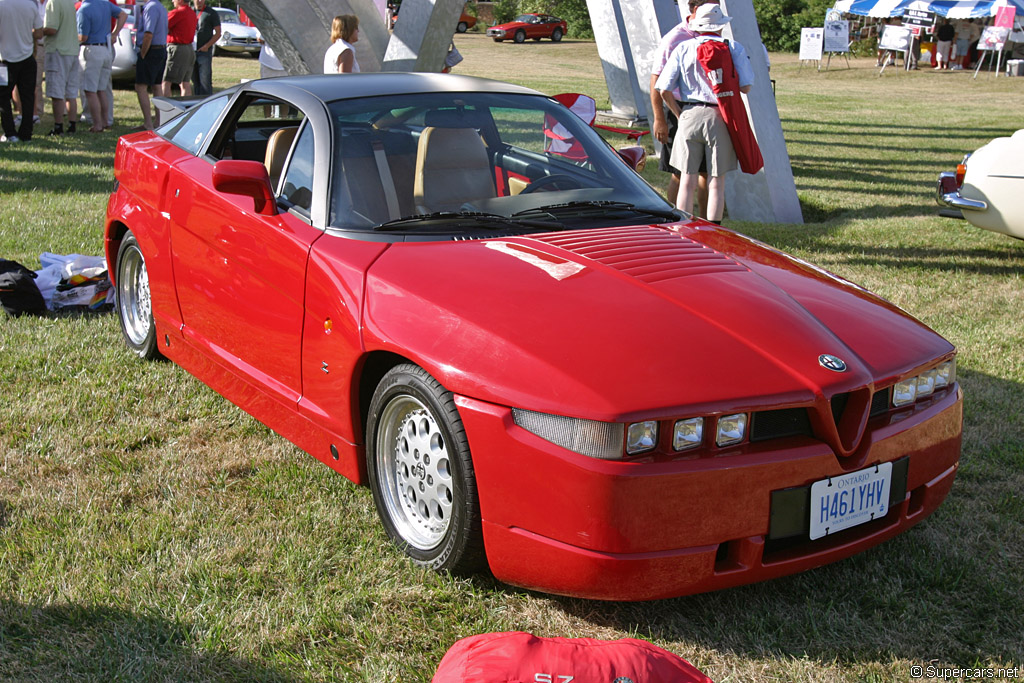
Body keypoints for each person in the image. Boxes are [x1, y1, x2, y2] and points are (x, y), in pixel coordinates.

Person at [655, 3, 754, 224]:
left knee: (686, 178)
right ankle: (714, 228)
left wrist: (679, 114)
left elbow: (663, 89)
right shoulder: (733, 48)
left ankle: (683, 227)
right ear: (720, 26)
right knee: (716, 180)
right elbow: (746, 86)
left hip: (689, 113)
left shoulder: (683, 47)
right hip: (720, 115)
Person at [648, 0, 709, 214]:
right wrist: (660, 119)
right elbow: (657, 80)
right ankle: (675, 219)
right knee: (680, 171)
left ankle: (706, 223)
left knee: (705, 172)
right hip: (677, 107)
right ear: (695, 10)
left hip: (705, 109)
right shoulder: (674, 38)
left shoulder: (714, 34)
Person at [76, 0, 124, 132]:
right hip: (105, 48)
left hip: (92, 49)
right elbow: (123, 15)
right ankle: (106, 121)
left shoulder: (83, 9)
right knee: (101, 89)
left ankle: (97, 124)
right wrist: (115, 33)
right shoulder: (105, 4)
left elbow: (83, 37)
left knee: (90, 91)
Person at [0, 0, 43, 142]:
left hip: (6, 58)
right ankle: (26, 134)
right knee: (28, 97)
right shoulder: (31, 5)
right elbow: (38, 33)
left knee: (3, 98)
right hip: (27, 57)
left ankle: (10, 133)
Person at [42, 0, 79, 135]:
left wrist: (37, 31)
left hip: (58, 50)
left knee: (56, 91)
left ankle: (58, 126)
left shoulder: (53, 2)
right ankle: (72, 125)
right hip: (72, 50)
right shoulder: (69, 2)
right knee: (71, 92)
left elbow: (52, 28)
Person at [133, 0, 166, 130]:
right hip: (161, 49)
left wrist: (142, 54)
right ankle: (159, 121)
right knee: (157, 86)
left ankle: (148, 122)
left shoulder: (150, 8)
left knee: (140, 86)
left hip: (151, 50)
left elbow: (148, 34)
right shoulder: (161, 7)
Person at [162, 0, 195, 96]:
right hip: (189, 49)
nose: (172, 1)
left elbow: (162, 26)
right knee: (185, 82)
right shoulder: (191, 13)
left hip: (177, 49)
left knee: (166, 81)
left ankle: (166, 109)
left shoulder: (177, 12)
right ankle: (186, 108)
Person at [191, 0, 219, 96]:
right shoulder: (190, 12)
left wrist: (207, 46)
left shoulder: (211, 13)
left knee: (205, 82)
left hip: (204, 52)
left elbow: (218, 33)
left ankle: (207, 103)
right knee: (195, 81)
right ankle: (196, 104)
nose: (199, 1)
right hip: (191, 51)